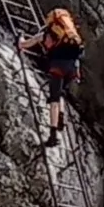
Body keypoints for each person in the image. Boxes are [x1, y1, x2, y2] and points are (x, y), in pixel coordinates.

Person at [18, 8, 85, 144]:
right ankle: (60, 117)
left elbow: (24, 45)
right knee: (60, 94)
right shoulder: (70, 34)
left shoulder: (47, 32)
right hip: (73, 67)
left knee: (54, 99)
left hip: (58, 66)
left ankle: (53, 135)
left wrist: (20, 38)